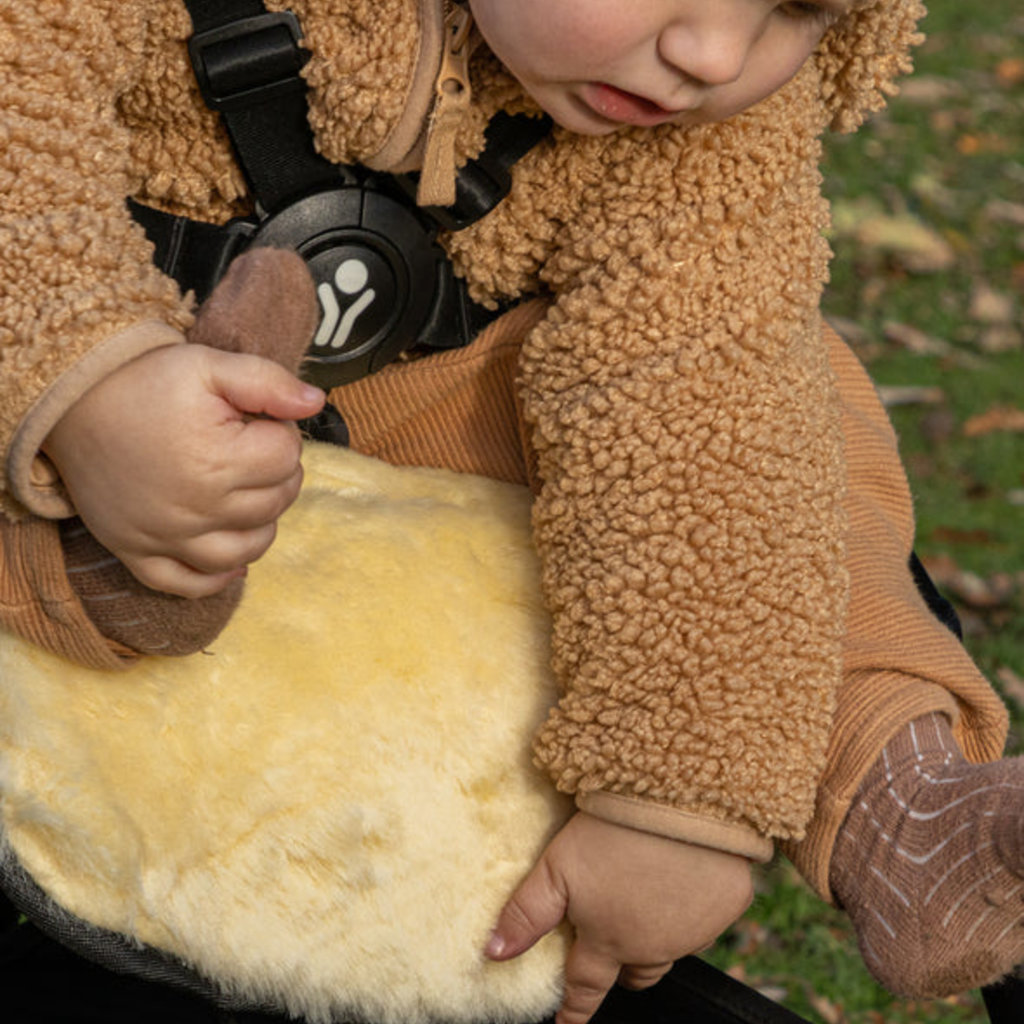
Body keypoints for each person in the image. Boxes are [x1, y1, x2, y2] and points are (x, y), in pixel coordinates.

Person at [0, 2, 1020, 1023]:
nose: (711, 54)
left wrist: (681, 801)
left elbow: (707, 404)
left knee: (773, 420)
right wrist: (85, 384)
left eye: (795, 6)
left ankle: (900, 807)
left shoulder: (698, 123)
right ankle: (92, 580)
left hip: (430, 423)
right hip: (118, 356)